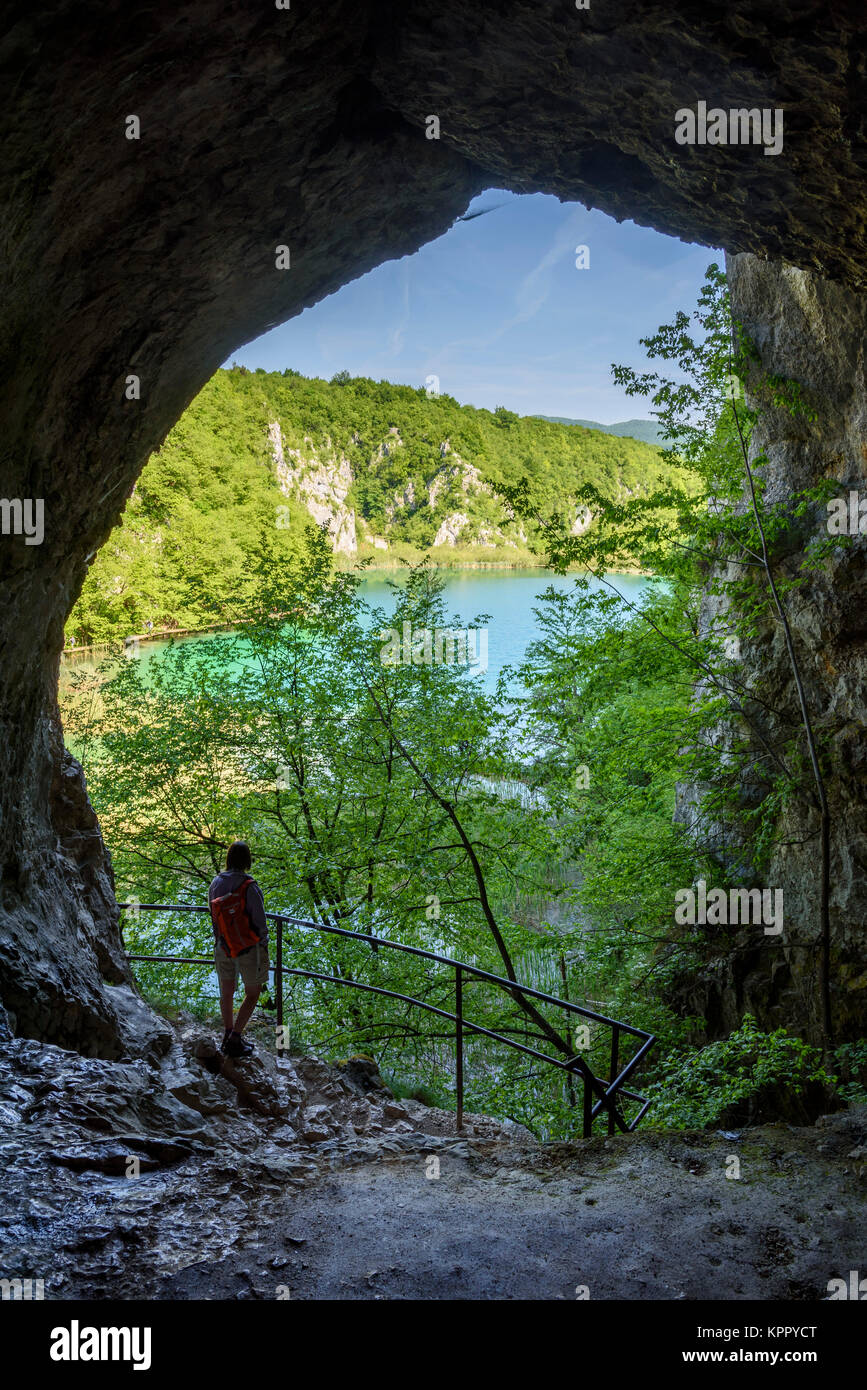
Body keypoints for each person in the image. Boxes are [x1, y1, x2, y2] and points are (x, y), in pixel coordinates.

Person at [208, 841, 269, 1058]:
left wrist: (220, 941)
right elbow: (260, 922)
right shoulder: (249, 886)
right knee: (252, 993)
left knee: (226, 990)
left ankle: (226, 1033)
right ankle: (235, 1037)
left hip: (223, 945)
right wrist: (264, 946)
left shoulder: (215, 883)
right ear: (247, 860)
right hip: (248, 948)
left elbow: (213, 916)